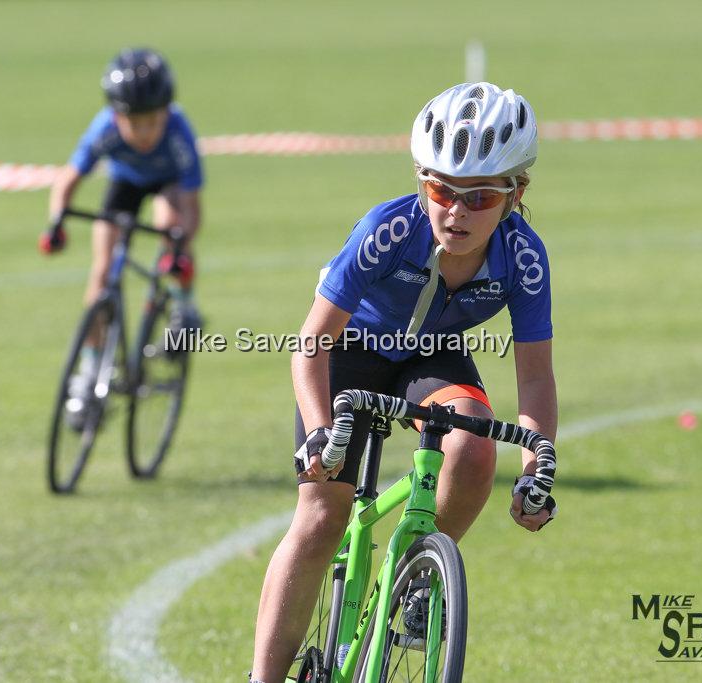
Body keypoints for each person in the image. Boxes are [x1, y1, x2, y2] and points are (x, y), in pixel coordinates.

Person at [250, 82, 558, 682]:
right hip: (351, 350)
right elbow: (311, 344)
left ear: (516, 192)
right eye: (442, 189)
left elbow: (536, 374)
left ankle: (420, 574)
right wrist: (319, 434)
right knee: (321, 515)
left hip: (432, 357)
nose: (457, 211)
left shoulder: (525, 258)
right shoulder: (388, 230)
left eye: (481, 196)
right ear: (422, 180)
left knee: (473, 448)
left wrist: (536, 467)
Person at [40, 47, 203, 418]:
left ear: (166, 112)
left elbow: (192, 207)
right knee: (100, 272)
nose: (144, 133)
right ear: (117, 115)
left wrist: (181, 246)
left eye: (153, 122)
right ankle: (89, 371)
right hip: (124, 185)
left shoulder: (180, 133)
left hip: (167, 185)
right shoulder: (105, 128)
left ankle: (183, 305)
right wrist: (56, 222)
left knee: (170, 226)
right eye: (135, 123)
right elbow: (69, 178)